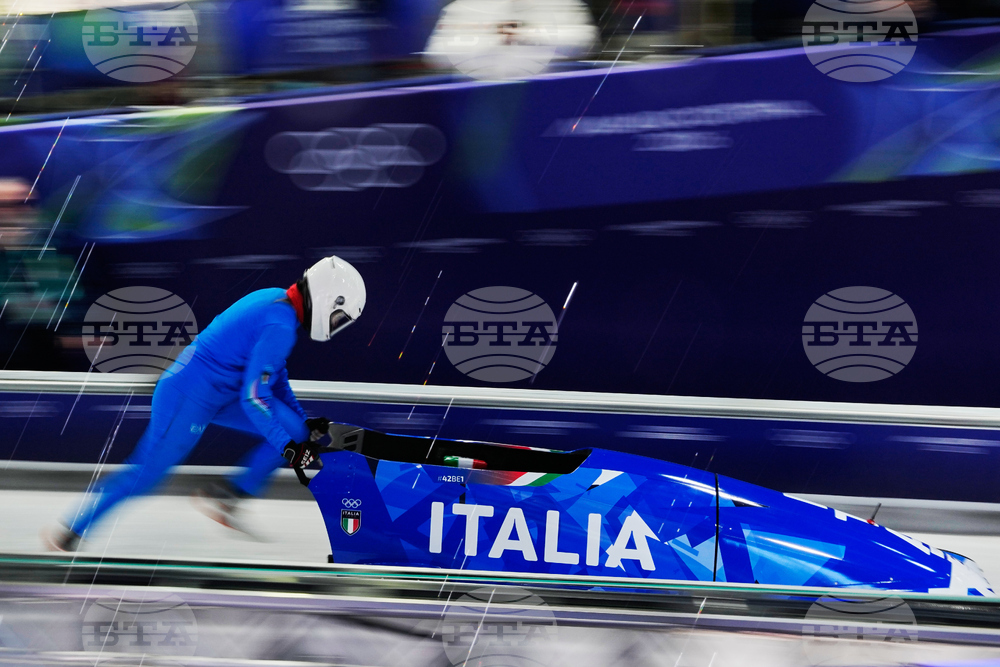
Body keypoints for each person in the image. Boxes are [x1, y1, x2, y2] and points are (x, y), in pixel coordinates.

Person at [44, 255, 366, 551]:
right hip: (187, 396)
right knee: (146, 475)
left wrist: (301, 424)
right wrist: (288, 447)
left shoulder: (277, 303)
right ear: (327, 299)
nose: (335, 325)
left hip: (221, 393)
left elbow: (275, 378)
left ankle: (228, 496)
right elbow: (255, 396)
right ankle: (70, 530)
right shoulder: (279, 324)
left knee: (297, 431)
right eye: (339, 317)